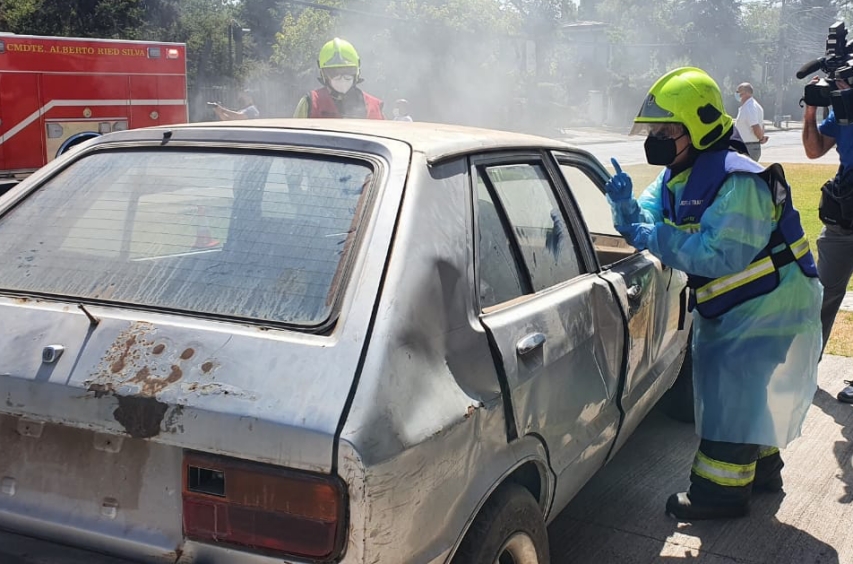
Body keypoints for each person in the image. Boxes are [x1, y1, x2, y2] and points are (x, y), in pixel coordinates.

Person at [606, 67, 822, 520]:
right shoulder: (681, 173)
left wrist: (653, 237)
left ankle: (718, 494)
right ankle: (763, 473)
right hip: (745, 304)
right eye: (655, 130)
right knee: (747, 394)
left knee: (732, 394)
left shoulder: (737, 180)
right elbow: (648, 213)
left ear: (698, 128)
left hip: (773, 303)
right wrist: (626, 209)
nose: (658, 140)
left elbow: (719, 256)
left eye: (668, 130)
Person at [802, 77, 853, 403]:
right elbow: (813, 149)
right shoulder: (843, 112)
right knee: (821, 295)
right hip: (844, 217)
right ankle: (804, 369)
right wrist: (812, 110)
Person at [293, 38, 384, 119]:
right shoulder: (310, 104)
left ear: (357, 73)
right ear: (324, 75)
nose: (342, 79)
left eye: (348, 72)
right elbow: (295, 136)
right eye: (334, 73)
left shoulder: (374, 106)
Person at [734, 82, 768, 161]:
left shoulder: (750, 107)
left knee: (744, 172)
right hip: (747, 146)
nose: (737, 94)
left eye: (738, 91)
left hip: (748, 147)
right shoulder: (748, 106)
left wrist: (760, 138)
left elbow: (755, 126)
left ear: (745, 92)